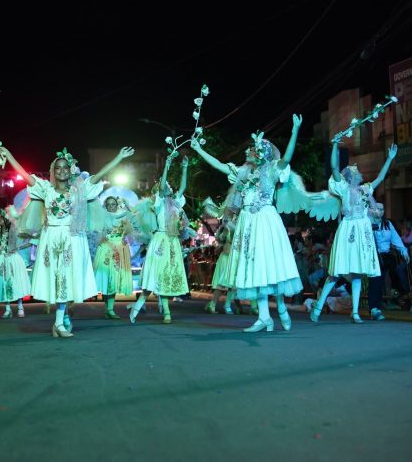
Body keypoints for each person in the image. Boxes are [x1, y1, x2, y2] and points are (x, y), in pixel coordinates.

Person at [0, 145, 134, 337]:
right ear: (53, 171)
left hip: (72, 239)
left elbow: (99, 175)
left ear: (71, 171)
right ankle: (61, 321)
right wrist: (9, 154)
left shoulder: (79, 190)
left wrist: (119, 157)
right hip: (52, 239)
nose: (61, 170)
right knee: (57, 279)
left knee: (67, 278)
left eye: (65, 167)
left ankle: (60, 321)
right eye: (58, 168)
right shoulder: (45, 189)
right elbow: (24, 174)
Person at [191, 115, 304, 332]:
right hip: (248, 222)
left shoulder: (272, 170)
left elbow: (287, 158)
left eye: (253, 150)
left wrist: (295, 130)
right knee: (255, 267)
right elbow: (219, 165)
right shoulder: (244, 172)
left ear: (262, 154)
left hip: (265, 220)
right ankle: (264, 317)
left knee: (269, 264)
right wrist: (198, 150)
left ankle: (281, 306)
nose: (248, 152)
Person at [310, 139, 398, 324]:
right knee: (337, 272)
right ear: (350, 177)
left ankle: (356, 312)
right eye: (356, 171)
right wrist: (335, 145)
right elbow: (334, 166)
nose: (359, 172)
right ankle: (318, 306)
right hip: (348, 229)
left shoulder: (365, 189)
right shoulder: (343, 188)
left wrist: (390, 158)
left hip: (362, 232)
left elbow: (381, 178)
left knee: (357, 272)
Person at [129, 153, 189, 324]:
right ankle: (157, 310)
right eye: (164, 186)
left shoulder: (175, 202)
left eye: (169, 186)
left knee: (166, 275)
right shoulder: (158, 203)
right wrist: (167, 165)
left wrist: (185, 168)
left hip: (172, 241)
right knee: (158, 275)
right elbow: (162, 185)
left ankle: (157, 310)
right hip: (161, 240)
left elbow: (183, 188)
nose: (168, 187)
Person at [0, 207, 31, 319]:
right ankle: (8, 309)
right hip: (1, 259)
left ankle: (20, 307)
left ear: (4, 218)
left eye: (0, 219)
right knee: (3, 283)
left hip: (13, 258)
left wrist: (18, 247)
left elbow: (22, 237)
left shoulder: (14, 228)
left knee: (16, 282)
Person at [93, 196, 134, 319]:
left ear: (117, 205)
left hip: (120, 249)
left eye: (113, 204)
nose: (111, 206)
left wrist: (125, 239)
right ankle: (108, 309)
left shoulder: (123, 216)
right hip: (106, 249)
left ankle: (109, 309)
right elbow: (99, 232)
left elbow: (130, 229)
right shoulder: (103, 217)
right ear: (105, 206)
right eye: (109, 204)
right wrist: (103, 238)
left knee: (114, 279)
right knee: (107, 279)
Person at [367, 202, 409, 321]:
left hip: (385, 256)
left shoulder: (387, 224)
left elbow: (395, 238)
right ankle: (374, 308)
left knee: (381, 282)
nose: (380, 211)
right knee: (375, 281)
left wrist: (403, 250)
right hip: (373, 256)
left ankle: (377, 307)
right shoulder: (367, 222)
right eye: (377, 209)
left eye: (382, 209)